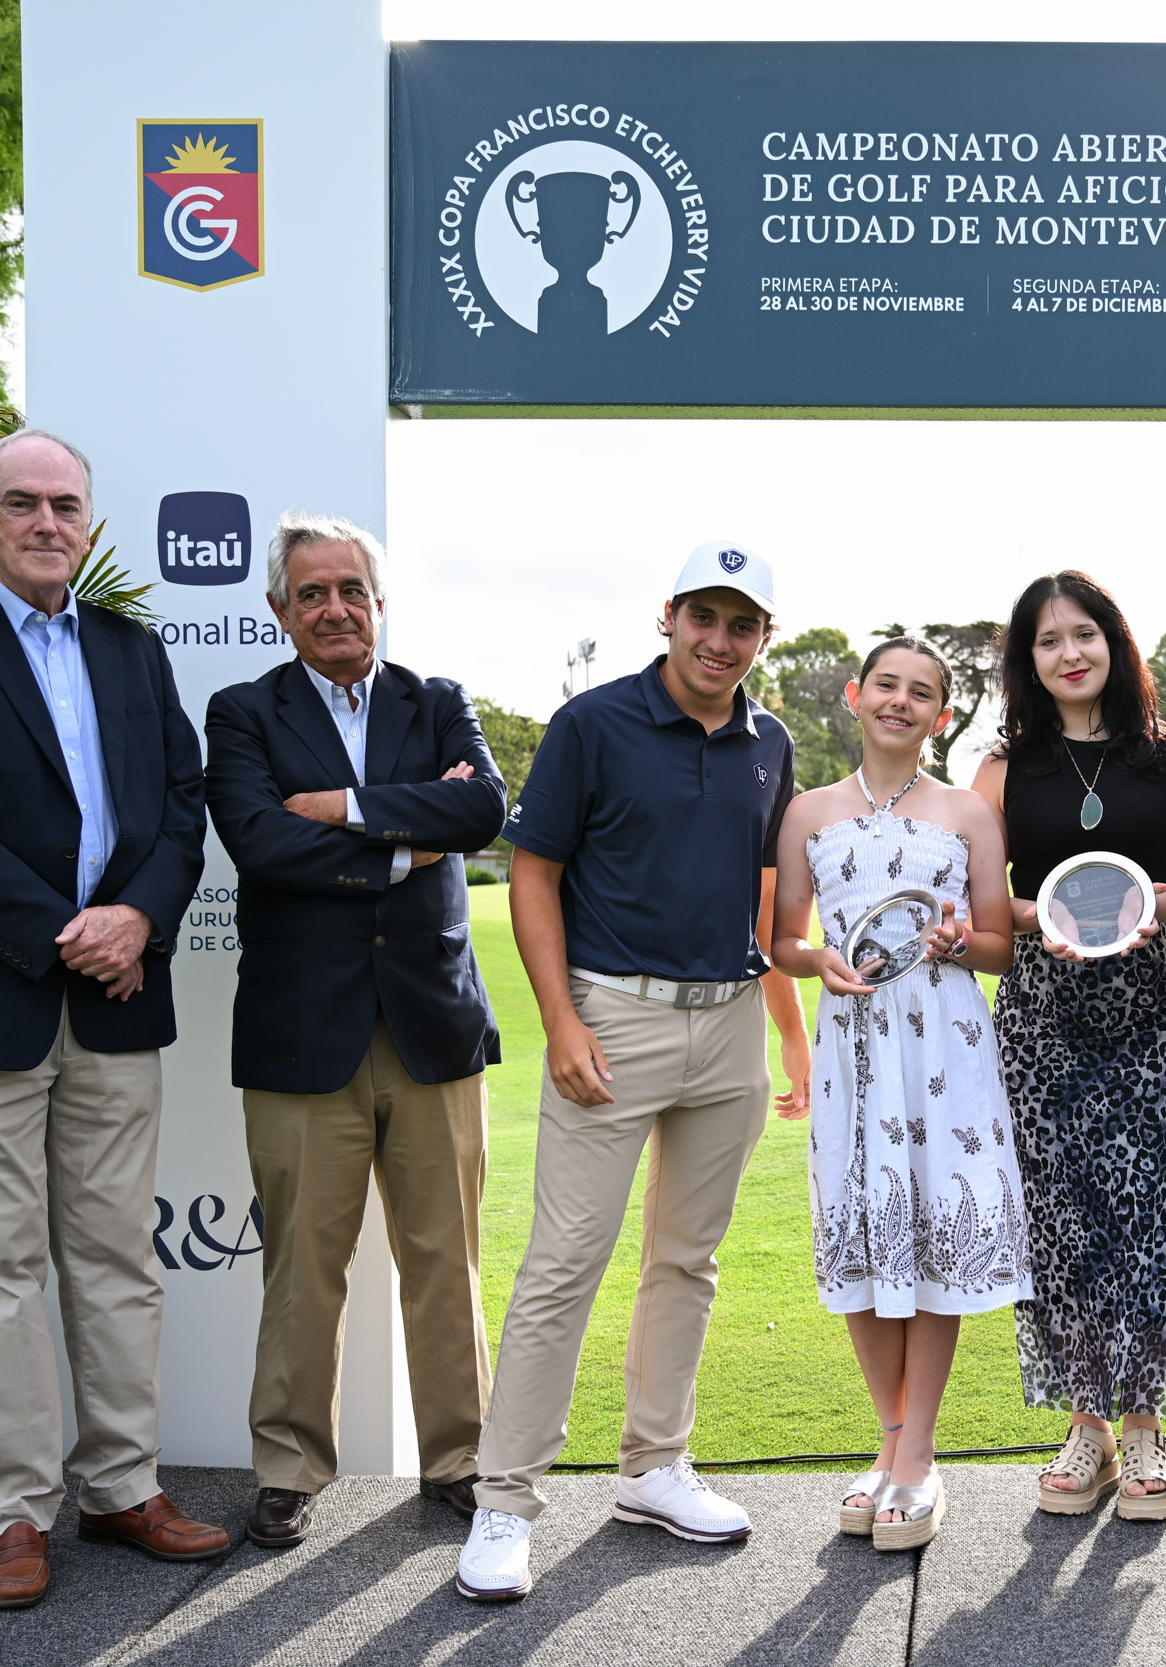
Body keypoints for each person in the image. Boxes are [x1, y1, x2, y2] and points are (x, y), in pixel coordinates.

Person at [0, 428, 226, 1609]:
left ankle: (123, 1486)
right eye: (21, 502)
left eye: (65, 503)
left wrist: (137, 918)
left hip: (117, 998)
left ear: (89, 521)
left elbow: (182, 804)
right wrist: (67, 930)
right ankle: (16, 1509)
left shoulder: (133, 648)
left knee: (116, 1256)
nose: (46, 521)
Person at [456, 543, 811, 1602]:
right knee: (564, 1262)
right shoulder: (593, 722)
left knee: (687, 1260)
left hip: (728, 1024)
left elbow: (764, 897)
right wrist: (561, 1019)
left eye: (741, 624)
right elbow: (534, 873)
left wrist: (787, 1029)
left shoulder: (770, 741)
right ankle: (504, 1499)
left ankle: (654, 1466)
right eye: (704, 616)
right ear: (669, 615)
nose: (719, 640)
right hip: (613, 1016)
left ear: (764, 638)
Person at [202, 513, 509, 1549]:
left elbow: (480, 814)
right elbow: (259, 841)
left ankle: (461, 1459)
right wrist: (404, 840)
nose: (335, 609)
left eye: (351, 590)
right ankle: (289, 1467)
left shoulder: (439, 701)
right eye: (312, 593)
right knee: (301, 1268)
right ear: (279, 610)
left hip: (433, 1026)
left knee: (446, 1259)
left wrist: (338, 805)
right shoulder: (242, 712)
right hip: (301, 1034)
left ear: (380, 601)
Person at [969, 572, 1166, 1521]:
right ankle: (1085, 1429)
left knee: (1148, 1214)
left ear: (1115, 643)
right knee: (1062, 1219)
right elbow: (980, 901)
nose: (1069, 653)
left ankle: (1144, 1429)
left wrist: (1150, 906)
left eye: (1084, 633)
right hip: (1041, 1013)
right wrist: (1047, 915)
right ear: (1028, 661)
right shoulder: (1002, 769)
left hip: (1152, 1013)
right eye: (1047, 641)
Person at [771, 637, 1029, 1552]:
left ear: (941, 717)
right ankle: (889, 1438)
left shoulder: (968, 812)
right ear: (855, 694)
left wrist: (961, 941)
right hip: (853, 1048)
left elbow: (1000, 944)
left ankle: (917, 1454)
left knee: (932, 1230)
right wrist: (818, 960)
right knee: (862, 1230)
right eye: (886, 684)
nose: (900, 701)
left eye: (922, 692)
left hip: (944, 1047)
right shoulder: (807, 812)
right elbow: (783, 942)